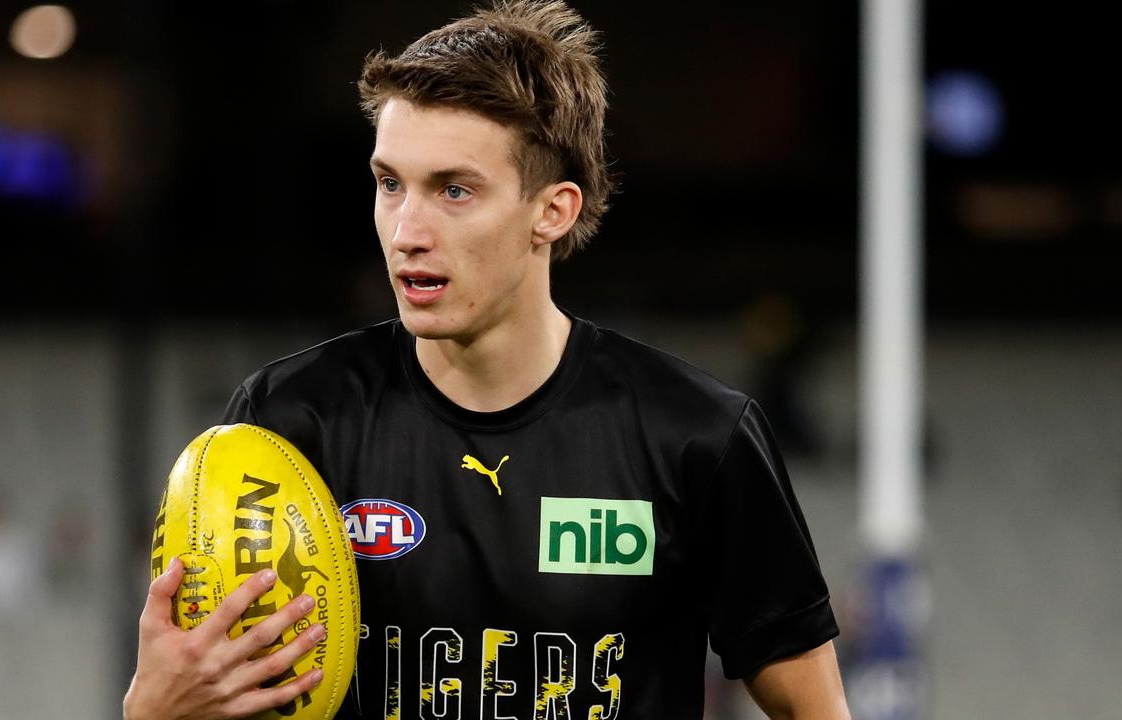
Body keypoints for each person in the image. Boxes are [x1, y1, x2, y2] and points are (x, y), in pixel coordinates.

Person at [124, 1, 850, 718]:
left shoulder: (695, 436)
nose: (407, 230)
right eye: (389, 184)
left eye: (455, 190)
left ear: (553, 211)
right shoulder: (288, 423)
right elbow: (218, 694)